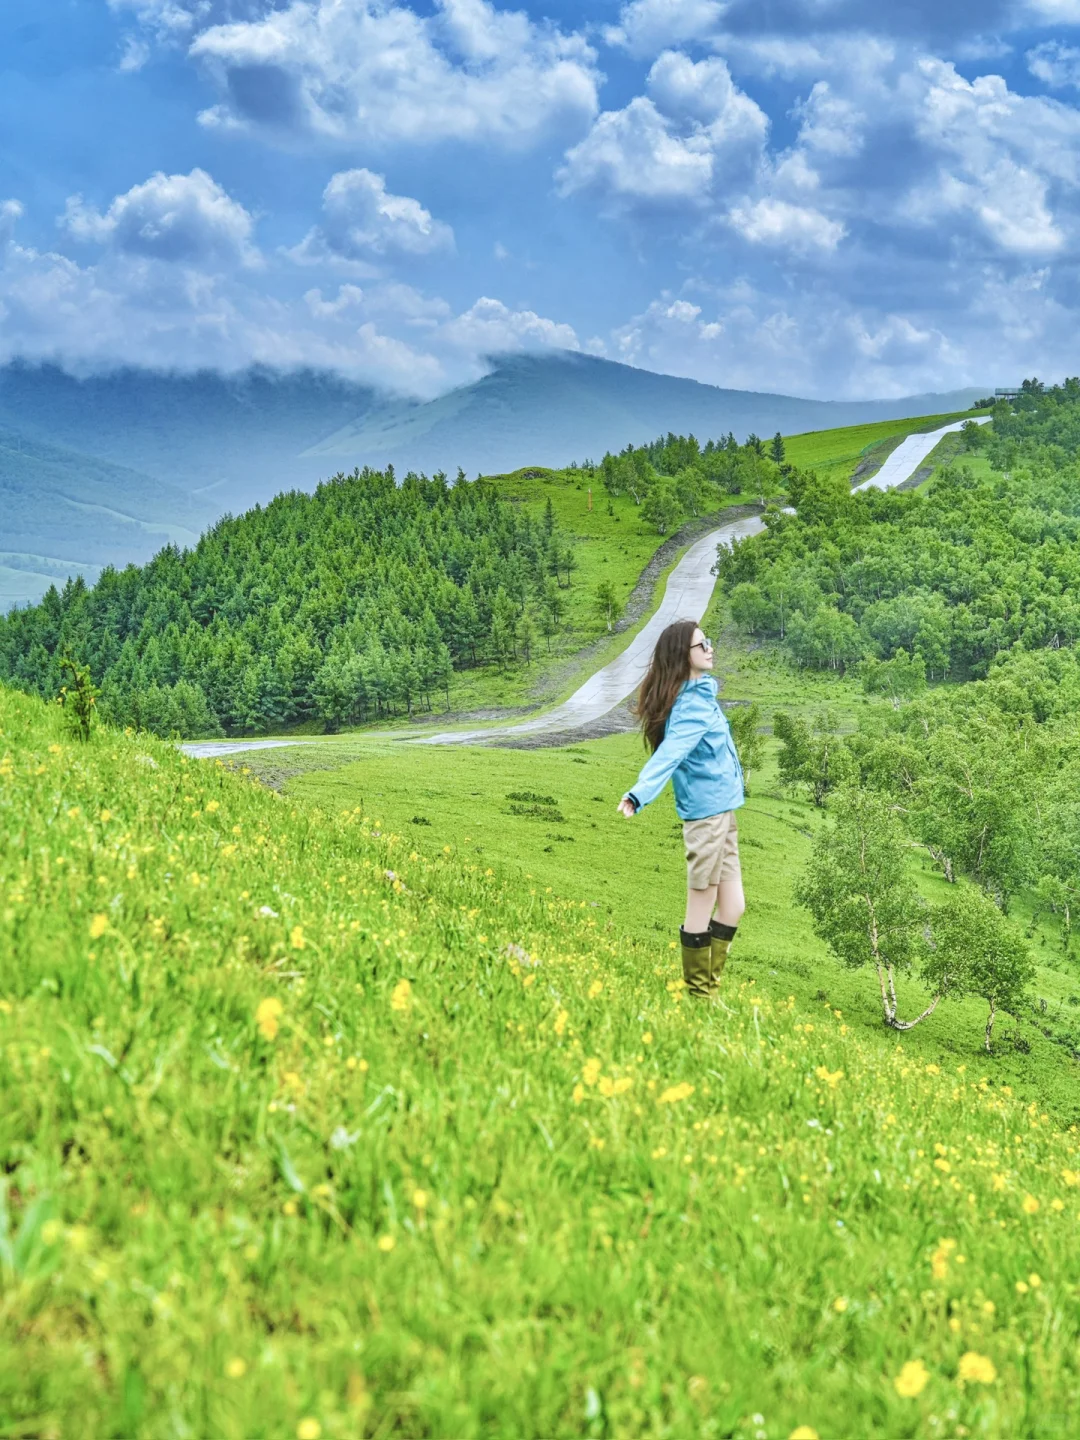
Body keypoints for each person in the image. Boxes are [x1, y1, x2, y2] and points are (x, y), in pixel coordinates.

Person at [617, 619, 745, 1000]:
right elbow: (670, 754)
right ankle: (699, 995)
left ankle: (708, 986)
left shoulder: (701, 695)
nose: (709, 648)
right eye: (701, 645)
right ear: (682, 657)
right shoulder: (691, 705)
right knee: (702, 902)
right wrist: (638, 794)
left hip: (724, 811)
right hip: (706, 818)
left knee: (734, 906)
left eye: (708, 641)